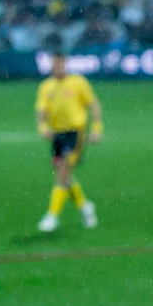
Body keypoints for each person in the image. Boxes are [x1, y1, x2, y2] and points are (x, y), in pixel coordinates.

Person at [35, 52, 104, 232]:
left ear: (65, 65)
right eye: (54, 65)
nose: (57, 68)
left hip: (75, 133)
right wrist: (42, 126)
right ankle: (85, 206)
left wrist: (97, 129)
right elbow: (41, 109)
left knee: (63, 172)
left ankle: (52, 215)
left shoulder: (78, 82)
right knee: (63, 175)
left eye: (60, 64)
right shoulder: (46, 86)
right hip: (58, 134)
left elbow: (94, 105)